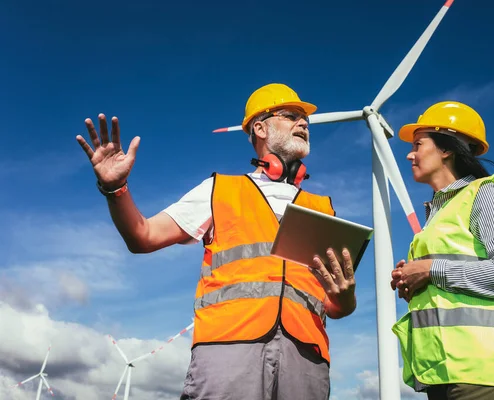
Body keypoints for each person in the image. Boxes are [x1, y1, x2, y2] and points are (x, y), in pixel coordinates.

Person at [75, 83, 358, 400]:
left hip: (306, 357)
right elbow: (143, 236)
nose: (304, 123)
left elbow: (336, 307)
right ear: (259, 128)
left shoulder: (324, 208)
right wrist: (116, 189)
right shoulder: (219, 190)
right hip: (228, 349)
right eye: (292, 115)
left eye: (305, 119)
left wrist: (346, 299)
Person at [389, 101, 494, 400]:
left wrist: (430, 270)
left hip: (487, 375)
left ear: (446, 149)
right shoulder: (437, 216)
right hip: (445, 375)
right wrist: (414, 282)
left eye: (418, 144)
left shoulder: (484, 195)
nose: (409, 154)